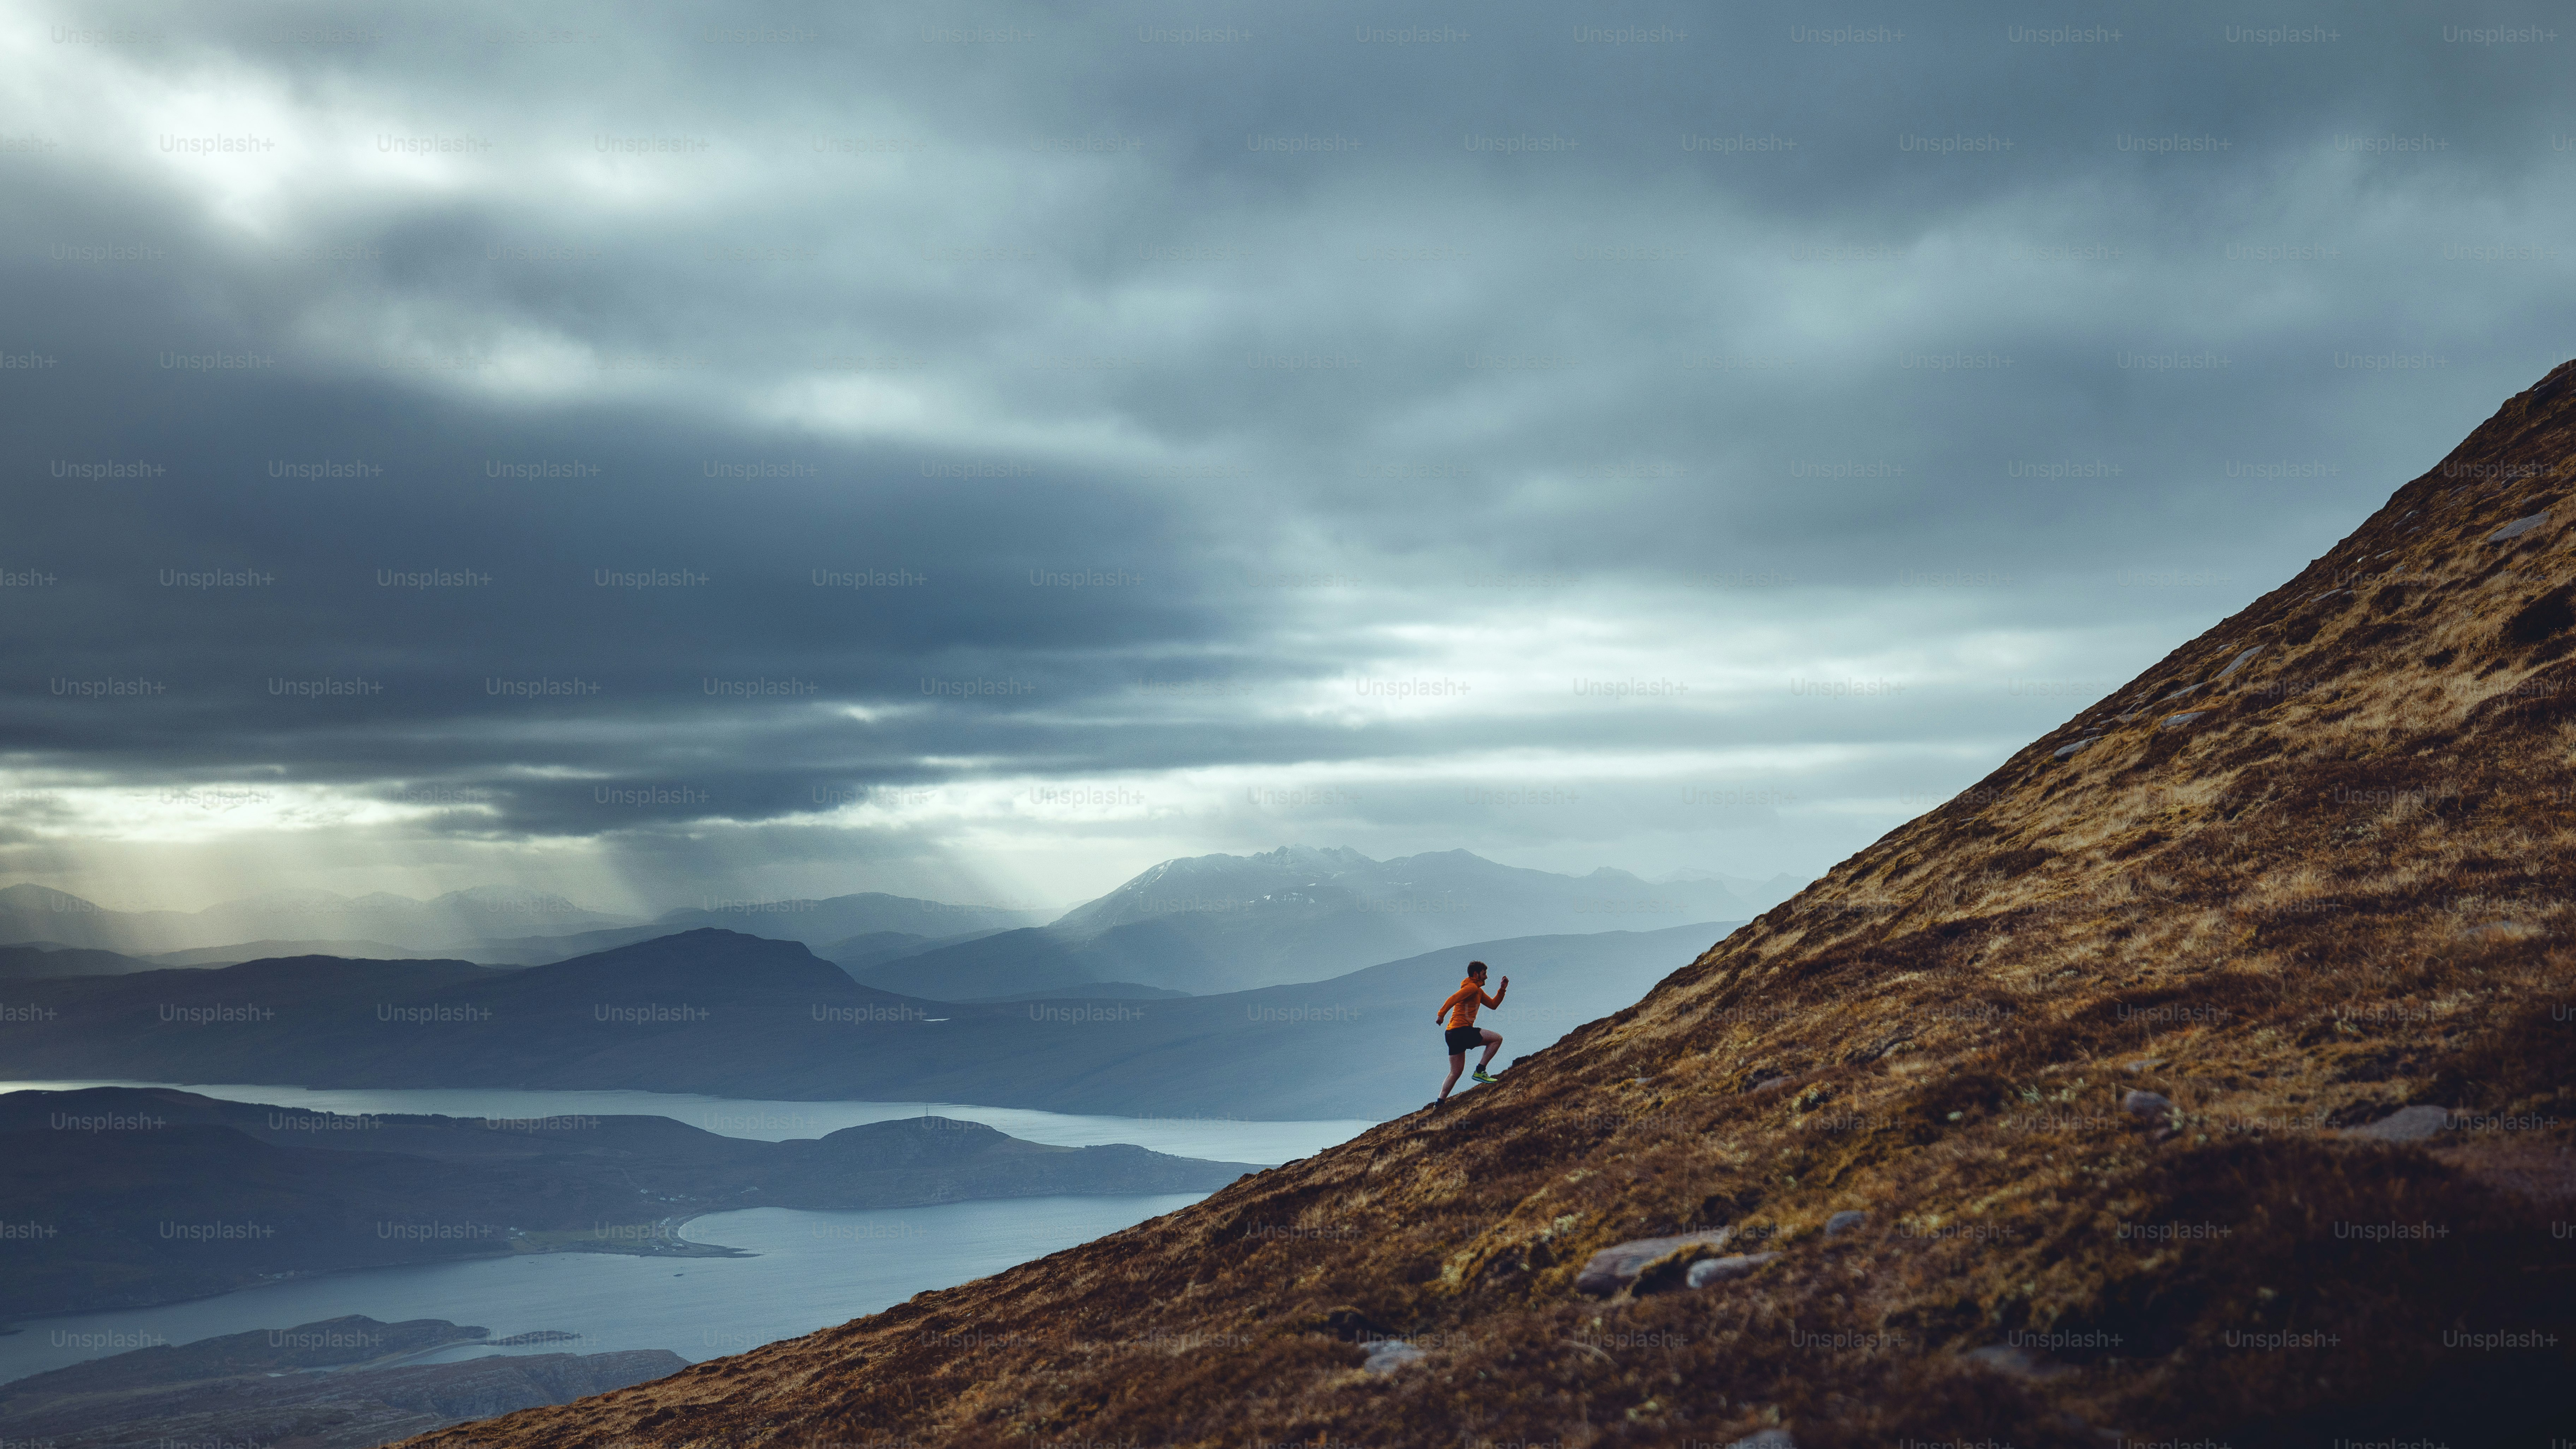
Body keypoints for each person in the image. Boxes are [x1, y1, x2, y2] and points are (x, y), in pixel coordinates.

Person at [1432, 959, 1508, 1109]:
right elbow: (1453, 999)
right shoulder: (1472, 988)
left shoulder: (1477, 991)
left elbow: (1493, 1005)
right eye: (1484, 974)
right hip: (1461, 1031)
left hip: (1451, 1034)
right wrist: (1441, 1014)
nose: (1486, 977)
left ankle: (1439, 1103)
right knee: (1497, 1039)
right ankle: (1480, 1071)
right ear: (1476, 974)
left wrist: (1502, 990)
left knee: (1456, 1072)